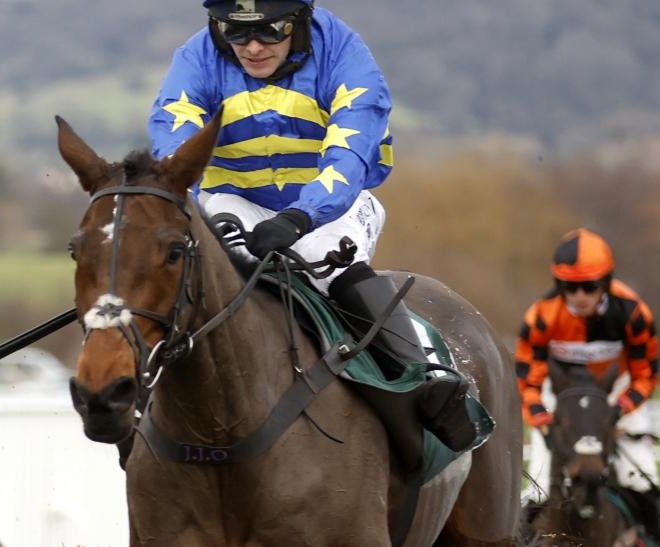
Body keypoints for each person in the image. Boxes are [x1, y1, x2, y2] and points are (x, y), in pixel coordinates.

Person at [147, 0, 475, 451]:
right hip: (234, 200)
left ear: (299, 22)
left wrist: (301, 216)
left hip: (333, 205)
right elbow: (174, 138)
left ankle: (426, 381)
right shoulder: (196, 57)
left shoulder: (345, 56)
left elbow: (349, 157)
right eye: (235, 32)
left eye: (270, 30)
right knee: (207, 262)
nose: (252, 47)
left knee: (321, 257)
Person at [517, 228, 660, 547]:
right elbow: (529, 381)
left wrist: (619, 410)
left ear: (604, 283)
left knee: (641, 478)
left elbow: (645, 376)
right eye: (570, 287)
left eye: (589, 287)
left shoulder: (633, 313)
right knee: (539, 487)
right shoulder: (541, 316)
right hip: (559, 398)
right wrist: (544, 423)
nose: (580, 295)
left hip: (617, 393)